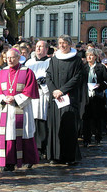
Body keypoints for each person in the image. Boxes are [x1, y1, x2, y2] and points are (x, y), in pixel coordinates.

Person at [0, 48, 40, 171]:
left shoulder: (27, 72)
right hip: (7, 109)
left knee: (24, 132)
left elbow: (30, 90)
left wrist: (15, 98)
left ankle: (27, 159)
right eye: (7, 58)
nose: (9, 60)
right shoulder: (2, 72)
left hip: (22, 108)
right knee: (8, 134)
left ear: (19, 58)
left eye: (12, 57)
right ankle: (9, 162)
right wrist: (3, 98)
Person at [46, 35, 83, 165]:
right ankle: (55, 156)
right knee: (55, 127)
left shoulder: (77, 60)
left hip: (69, 98)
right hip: (55, 98)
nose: (62, 45)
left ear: (70, 44)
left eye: (65, 43)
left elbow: (77, 77)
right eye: (60, 43)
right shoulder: (54, 59)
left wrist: (62, 90)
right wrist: (54, 91)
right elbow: (48, 76)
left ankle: (69, 157)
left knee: (68, 127)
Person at [25, 40, 51, 159]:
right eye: (37, 46)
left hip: (42, 96)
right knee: (31, 121)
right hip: (31, 96)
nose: (38, 49)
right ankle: (32, 147)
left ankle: (42, 147)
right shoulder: (29, 62)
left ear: (46, 49)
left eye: (41, 47)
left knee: (41, 121)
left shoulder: (50, 62)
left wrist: (44, 84)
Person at [82, 48, 107, 146]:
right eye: (88, 55)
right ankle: (86, 138)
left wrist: (100, 85)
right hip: (86, 96)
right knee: (86, 118)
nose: (89, 57)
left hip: (97, 96)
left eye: (91, 55)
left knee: (97, 117)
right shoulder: (83, 67)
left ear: (95, 57)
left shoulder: (101, 67)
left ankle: (98, 137)